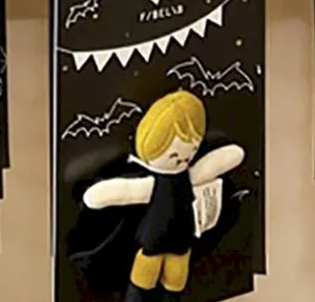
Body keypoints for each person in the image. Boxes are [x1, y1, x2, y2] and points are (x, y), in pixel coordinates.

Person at [82, 90, 245, 302]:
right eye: (174, 154)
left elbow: (217, 163)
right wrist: (97, 196)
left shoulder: (188, 176)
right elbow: (127, 191)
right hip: (154, 243)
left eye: (191, 150)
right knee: (145, 277)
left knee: (175, 280)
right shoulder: (155, 184)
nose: (182, 160)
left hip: (181, 243)